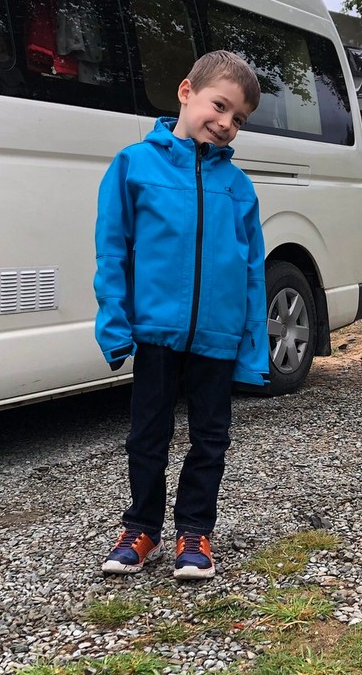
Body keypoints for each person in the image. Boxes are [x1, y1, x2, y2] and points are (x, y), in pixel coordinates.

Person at [94, 50, 269, 579]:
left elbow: (253, 270)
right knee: (147, 435)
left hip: (216, 336)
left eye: (238, 120)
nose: (225, 124)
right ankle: (141, 527)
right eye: (220, 106)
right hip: (156, 332)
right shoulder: (133, 165)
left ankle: (195, 532)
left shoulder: (238, 187)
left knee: (211, 438)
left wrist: (251, 346)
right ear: (186, 92)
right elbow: (113, 249)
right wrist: (115, 322)